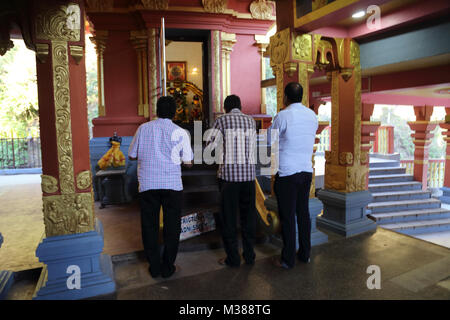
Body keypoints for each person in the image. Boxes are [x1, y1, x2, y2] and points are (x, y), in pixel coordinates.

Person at [128, 96, 193, 278]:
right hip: (172, 185)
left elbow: (132, 155)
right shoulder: (180, 132)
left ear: (156, 111)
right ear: (174, 112)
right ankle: (168, 266)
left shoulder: (143, 128)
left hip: (148, 184)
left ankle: (154, 266)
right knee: (172, 226)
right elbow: (188, 162)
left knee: (150, 225)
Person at [270, 82, 318, 269]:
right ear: (302, 96)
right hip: (306, 171)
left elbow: (270, 140)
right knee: (303, 213)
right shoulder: (312, 116)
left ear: (285, 97)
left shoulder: (283, 116)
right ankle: (305, 254)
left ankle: (288, 259)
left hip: (287, 172)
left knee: (288, 216)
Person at [206, 95, 257, 268]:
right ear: (240, 106)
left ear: (225, 107)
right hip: (249, 178)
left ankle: (233, 259)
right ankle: (249, 256)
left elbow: (209, 146)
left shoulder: (221, 121)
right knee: (247, 218)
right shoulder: (250, 121)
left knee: (228, 219)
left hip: (229, 178)